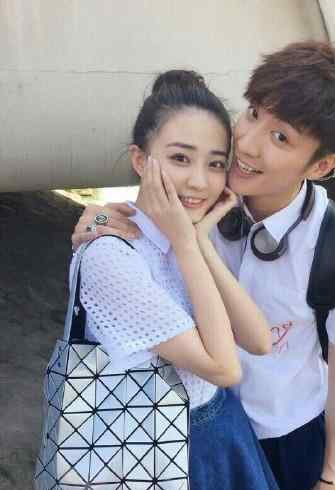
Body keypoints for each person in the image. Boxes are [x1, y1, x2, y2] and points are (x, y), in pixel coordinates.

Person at [72, 42, 335, 490]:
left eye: (281, 138)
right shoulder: (200, 198)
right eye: (254, 113)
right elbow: (143, 225)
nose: (248, 143)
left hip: (285, 435)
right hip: (184, 428)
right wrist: (101, 219)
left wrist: (333, 476)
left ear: (321, 165)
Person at [71, 70, 279, 490]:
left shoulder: (189, 235)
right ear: (139, 160)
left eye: (215, 164)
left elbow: (259, 340)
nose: (199, 181)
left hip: (219, 433)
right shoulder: (110, 255)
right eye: (180, 159)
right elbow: (224, 367)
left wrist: (197, 240)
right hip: (147, 445)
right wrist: (187, 242)